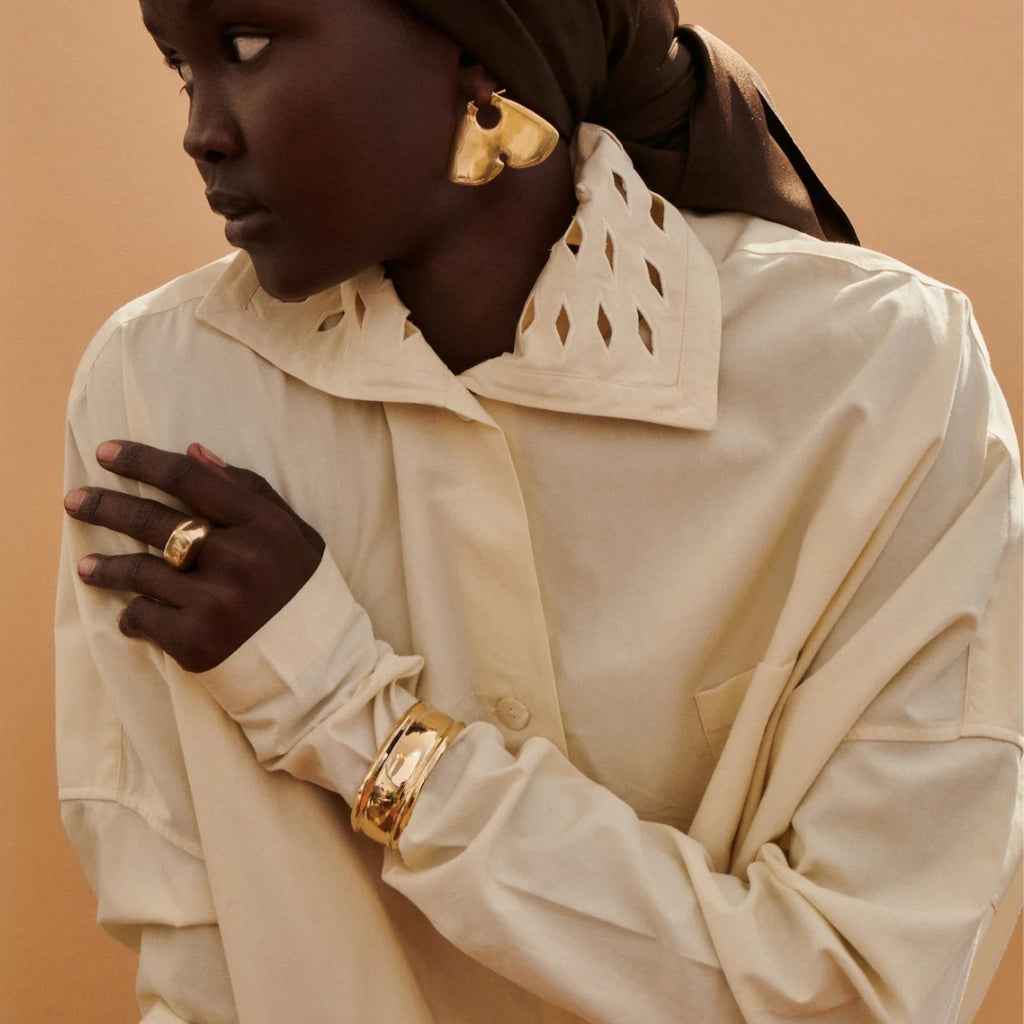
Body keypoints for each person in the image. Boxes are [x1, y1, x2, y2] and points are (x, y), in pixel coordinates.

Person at [56, 0, 1021, 1021]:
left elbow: (866, 993)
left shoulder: (878, 382)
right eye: (179, 65)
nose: (200, 128)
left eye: (246, 46)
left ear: (481, 57)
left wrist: (344, 713)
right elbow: (194, 949)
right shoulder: (165, 387)